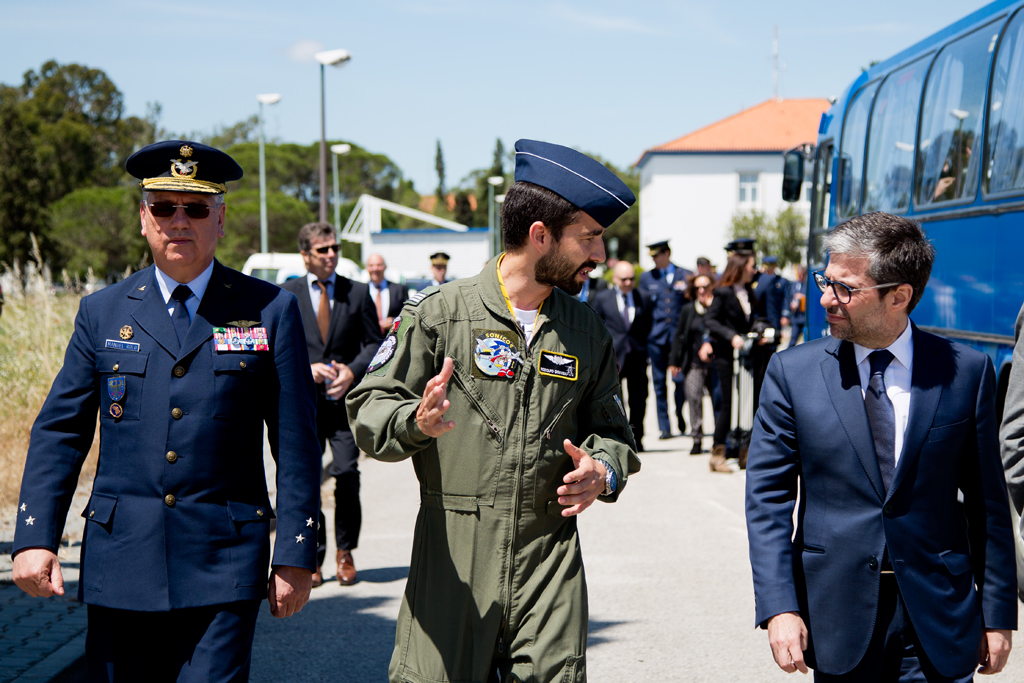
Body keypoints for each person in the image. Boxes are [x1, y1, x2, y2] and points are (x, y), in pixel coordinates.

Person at [11, 140, 322, 680]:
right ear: (143, 218)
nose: (179, 221)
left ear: (220, 220)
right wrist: (35, 536)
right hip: (121, 560)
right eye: (164, 207)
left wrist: (296, 550)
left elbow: (295, 441)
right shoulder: (102, 313)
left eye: (196, 208)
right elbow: (61, 432)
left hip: (223, 559)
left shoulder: (270, 311)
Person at [346, 139, 640, 683]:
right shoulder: (440, 315)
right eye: (590, 238)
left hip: (548, 559)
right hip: (453, 560)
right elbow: (367, 407)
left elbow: (615, 433)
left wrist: (603, 470)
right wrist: (415, 422)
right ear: (539, 235)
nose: (600, 255)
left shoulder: (585, 331)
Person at [746, 212, 1017, 681]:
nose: (827, 298)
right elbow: (767, 500)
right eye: (824, 281)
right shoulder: (793, 374)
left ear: (900, 296)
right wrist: (780, 608)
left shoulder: (967, 374)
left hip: (940, 618)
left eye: (845, 288)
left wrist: (997, 614)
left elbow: (988, 504)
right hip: (837, 616)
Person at [281, 223, 382, 587]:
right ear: (305, 255)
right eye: (322, 250)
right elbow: (278, 348)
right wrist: (306, 369)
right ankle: (312, 557)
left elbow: (375, 344)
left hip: (342, 408)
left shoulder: (356, 293)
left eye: (334, 247)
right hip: (302, 408)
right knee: (306, 482)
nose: (331, 255)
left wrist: (352, 372)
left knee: (347, 476)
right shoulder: (286, 295)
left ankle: (345, 553)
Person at [704, 251, 758, 472]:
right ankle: (718, 455)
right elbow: (711, 320)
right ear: (741, 267)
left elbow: (754, 319)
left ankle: (745, 453)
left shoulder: (748, 292)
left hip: (747, 356)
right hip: (727, 356)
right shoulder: (723, 292)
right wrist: (731, 336)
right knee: (728, 403)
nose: (755, 270)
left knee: (747, 403)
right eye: (751, 266)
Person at [591, 261, 653, 449]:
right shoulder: (602, 298)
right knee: (615, 399)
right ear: (615, 278)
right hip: (613, 357)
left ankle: (637, 437)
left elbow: (648, 324)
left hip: (637, 356)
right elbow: (596, 325)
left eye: (631, 279)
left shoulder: (644, 297)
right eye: (624, 279)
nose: (628, 282)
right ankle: (620, 437)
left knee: (639, 399)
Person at [639, 240, 692, 439]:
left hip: (678, 338)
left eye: (657, 256)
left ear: (667, 254)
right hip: (656, 338)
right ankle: (665, 427)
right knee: (659, 384)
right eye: (652, 257)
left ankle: (679, 413)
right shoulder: (647, 278)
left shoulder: (685, 274)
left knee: (680, 381)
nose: (654, 260)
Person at [669, 274, 716, 455]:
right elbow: (680, 335)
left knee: (717, 401)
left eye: (705, 286)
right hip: (694, 364)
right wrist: (674, 361)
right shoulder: (688, 310)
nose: (702, 291)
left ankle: (719, 441)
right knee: (694, 399)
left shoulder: (717, 308)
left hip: (715, 364)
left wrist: (712, 309)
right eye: (698, 288)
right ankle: (697, 438)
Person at [751, 255, 789, 413]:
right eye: (767, 265)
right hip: (762, 326)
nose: (769, 268)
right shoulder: (759, 279)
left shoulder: (782, 281)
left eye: (772, 265)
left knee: (771, 361)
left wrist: (785, 315)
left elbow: (785, 299)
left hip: (774, 323)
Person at [366, 252, 409, 335]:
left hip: (393, 340)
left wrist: (394, 322)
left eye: (379, 265)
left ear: (385, 267)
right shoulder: (361, 291)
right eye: (371, 265)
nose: (375, 269)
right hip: (369, 342)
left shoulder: (399, 290)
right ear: (367, 268)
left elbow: (408, 316)